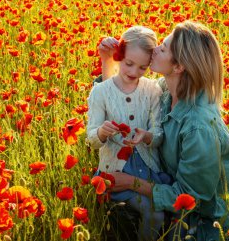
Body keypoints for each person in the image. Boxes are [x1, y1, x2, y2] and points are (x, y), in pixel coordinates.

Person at [97, 21, 229, 241]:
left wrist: (132, 183)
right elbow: (119, 100)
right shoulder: (166, 90)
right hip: (169, 187)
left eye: (164, 47)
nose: (155, 48)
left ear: (178, 67)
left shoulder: (199, 128)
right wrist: (109, 60)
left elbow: (189, 199)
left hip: (207, 218)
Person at [87, 26, 171, 241]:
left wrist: (147, 136)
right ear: (119, 56)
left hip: (147, 168)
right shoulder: (101, 91)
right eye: (129, 64)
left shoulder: (152, 90)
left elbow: (159, 134)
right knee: (154, 213)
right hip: (114, 170)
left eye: (142, 67)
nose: (134, 72)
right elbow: (92, 140)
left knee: (164, 212)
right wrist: (102, 132)